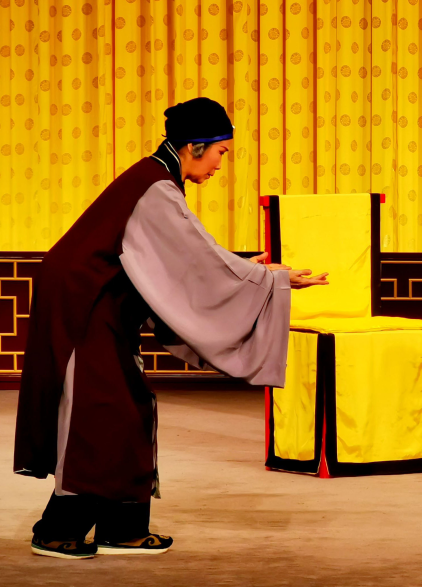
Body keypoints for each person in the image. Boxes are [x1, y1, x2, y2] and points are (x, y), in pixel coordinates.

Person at [14, 97, 328, 559]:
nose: (220, 164)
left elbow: (189, 257)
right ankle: (56, 530)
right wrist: (269, 279)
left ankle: (122, 528)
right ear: (194, 146)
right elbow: (196, 259)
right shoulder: (155, 187)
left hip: (104, 305)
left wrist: (252, 270)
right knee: (99, 414)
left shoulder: (158, 181)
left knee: (131, 410)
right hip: (84, 305)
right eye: (220, 152)